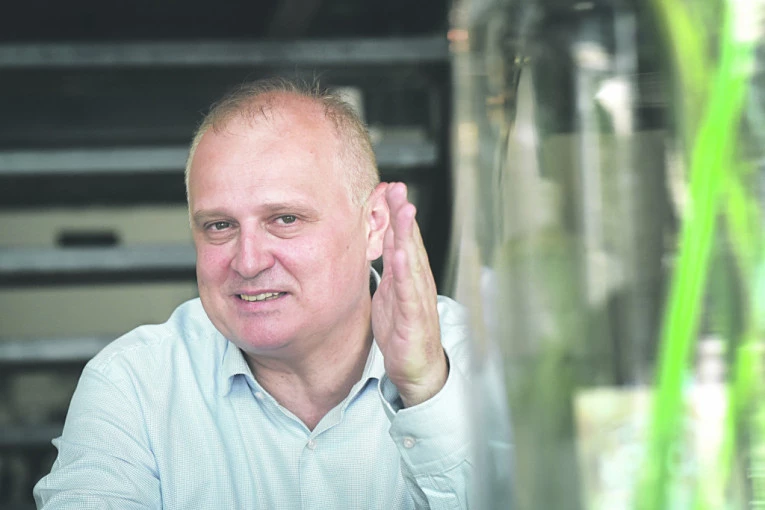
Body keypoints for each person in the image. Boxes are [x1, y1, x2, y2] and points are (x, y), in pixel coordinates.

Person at [33, 78, 472, 509]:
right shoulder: (134, 385)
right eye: (220, 226)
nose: (248, 262)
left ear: (373, 224)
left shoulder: (479, 360)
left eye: (285, 219)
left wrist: (425, 390)